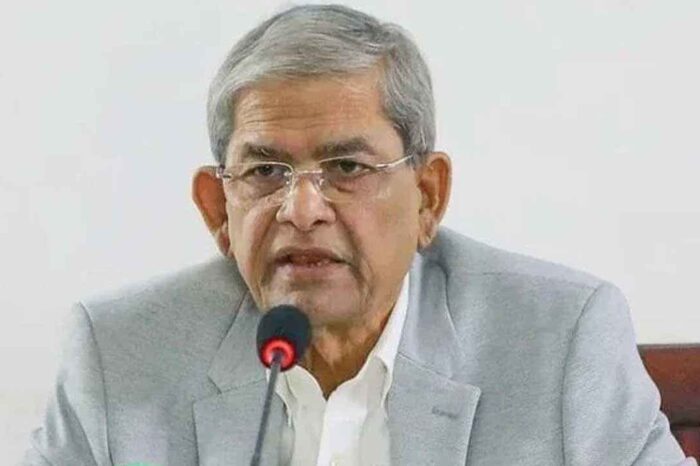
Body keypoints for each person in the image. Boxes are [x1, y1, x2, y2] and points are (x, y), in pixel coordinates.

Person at [22, 4, 695, 465]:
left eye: (347, 167)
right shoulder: (119, 357)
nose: (302, 209)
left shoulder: (559, 343)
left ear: (428, 195)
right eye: (265, 171)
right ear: (217, 209)